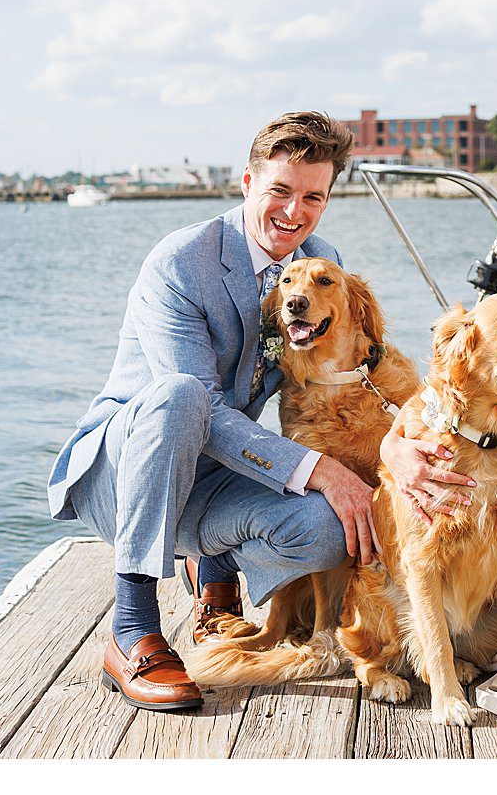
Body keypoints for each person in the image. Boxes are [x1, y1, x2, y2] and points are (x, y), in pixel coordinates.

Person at [46, 111, 472, 713]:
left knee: (335, 530)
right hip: (127, 473)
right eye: (280, 191)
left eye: (313, 198)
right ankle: (132, 626)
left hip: (217, 479)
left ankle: (213, 563)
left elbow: (356, 372)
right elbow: (206, 408)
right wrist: (322, 469)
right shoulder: (181, 262)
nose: (294, 212)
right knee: (182, 396)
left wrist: (397, 443)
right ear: (247, 182)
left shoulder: (320, 264)